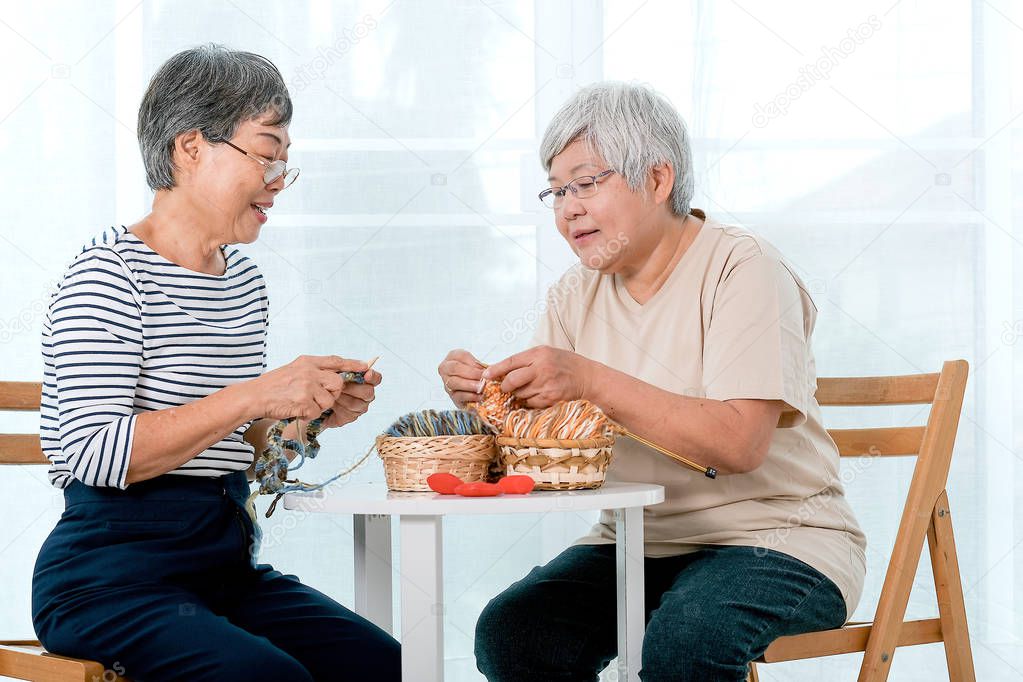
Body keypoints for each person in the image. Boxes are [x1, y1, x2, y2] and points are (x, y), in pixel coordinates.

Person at [439, 82, 866, 681]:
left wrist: (586, 377)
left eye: (586, 183)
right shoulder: (572, 294)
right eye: (557, 191)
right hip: (634, 542)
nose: (568, 208)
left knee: (684, 644)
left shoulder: (743, 268)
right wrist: (490, 403)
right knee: (515, 635)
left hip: (777, 540)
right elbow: (549, 455)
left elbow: (739, 443)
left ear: (658, 180)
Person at [32, 44, 400, 682]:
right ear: (190, 147)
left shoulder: (243, 283)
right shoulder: (107, 275)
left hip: (221, 571)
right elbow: (96, 452)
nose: (278, 178)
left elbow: (237, 448)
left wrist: (302, 421)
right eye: (265, 152)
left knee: (391, 666)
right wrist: (258, 394)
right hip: (107, 581)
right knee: (268, 679)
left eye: (286, 161)